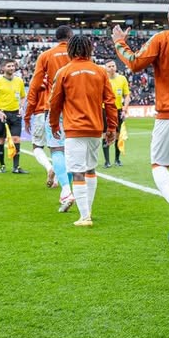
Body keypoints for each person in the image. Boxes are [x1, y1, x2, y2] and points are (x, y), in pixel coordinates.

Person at [113, 0, 169, 243]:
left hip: (168, 114)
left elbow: (134, 63)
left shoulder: (162, 39)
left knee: (159, 165)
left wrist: (119, 42)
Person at [50, 35, 118, 227]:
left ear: (70, 49)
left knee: (77, 172)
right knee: (90, 169)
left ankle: (85, 216)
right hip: (95, 129)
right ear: (89, 49)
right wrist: (112, 127)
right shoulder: (100, 71)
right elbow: (110, 101)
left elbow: (55, 102)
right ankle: (88, 211)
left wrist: (54, 124)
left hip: (74, 129)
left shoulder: (64, 71)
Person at [24, 26, 74, 211]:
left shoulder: (45, 56)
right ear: (70, 37)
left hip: (54, 107)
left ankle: (66, 190)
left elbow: (35, 85)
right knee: (72, 150)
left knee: (57, 149)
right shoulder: (78, 54)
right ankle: (71, 188)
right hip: (77, 108)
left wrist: (28, 113)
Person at [0, 59, 28, 174]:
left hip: (16, 114)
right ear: (3, 68)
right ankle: (2, 165)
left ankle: (16, 167)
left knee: (16, 139)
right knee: (1, 139)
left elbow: (23, 96)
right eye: (9, 66)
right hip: (3, 114)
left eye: (13, 66)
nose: (11, 68)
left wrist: (21, 107)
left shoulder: (19, 80)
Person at [102, 59, 130, 168]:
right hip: (105, 110)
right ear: (105, 68)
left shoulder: (122, 79)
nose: (111, 68)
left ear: (116, 67)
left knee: (118, 135)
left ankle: (117, 159)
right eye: (109, 66)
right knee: (106, 134)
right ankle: (107, 161)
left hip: (118, 110)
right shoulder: (103, 79)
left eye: (113, 66)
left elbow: (127, 95)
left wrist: (124, 109)